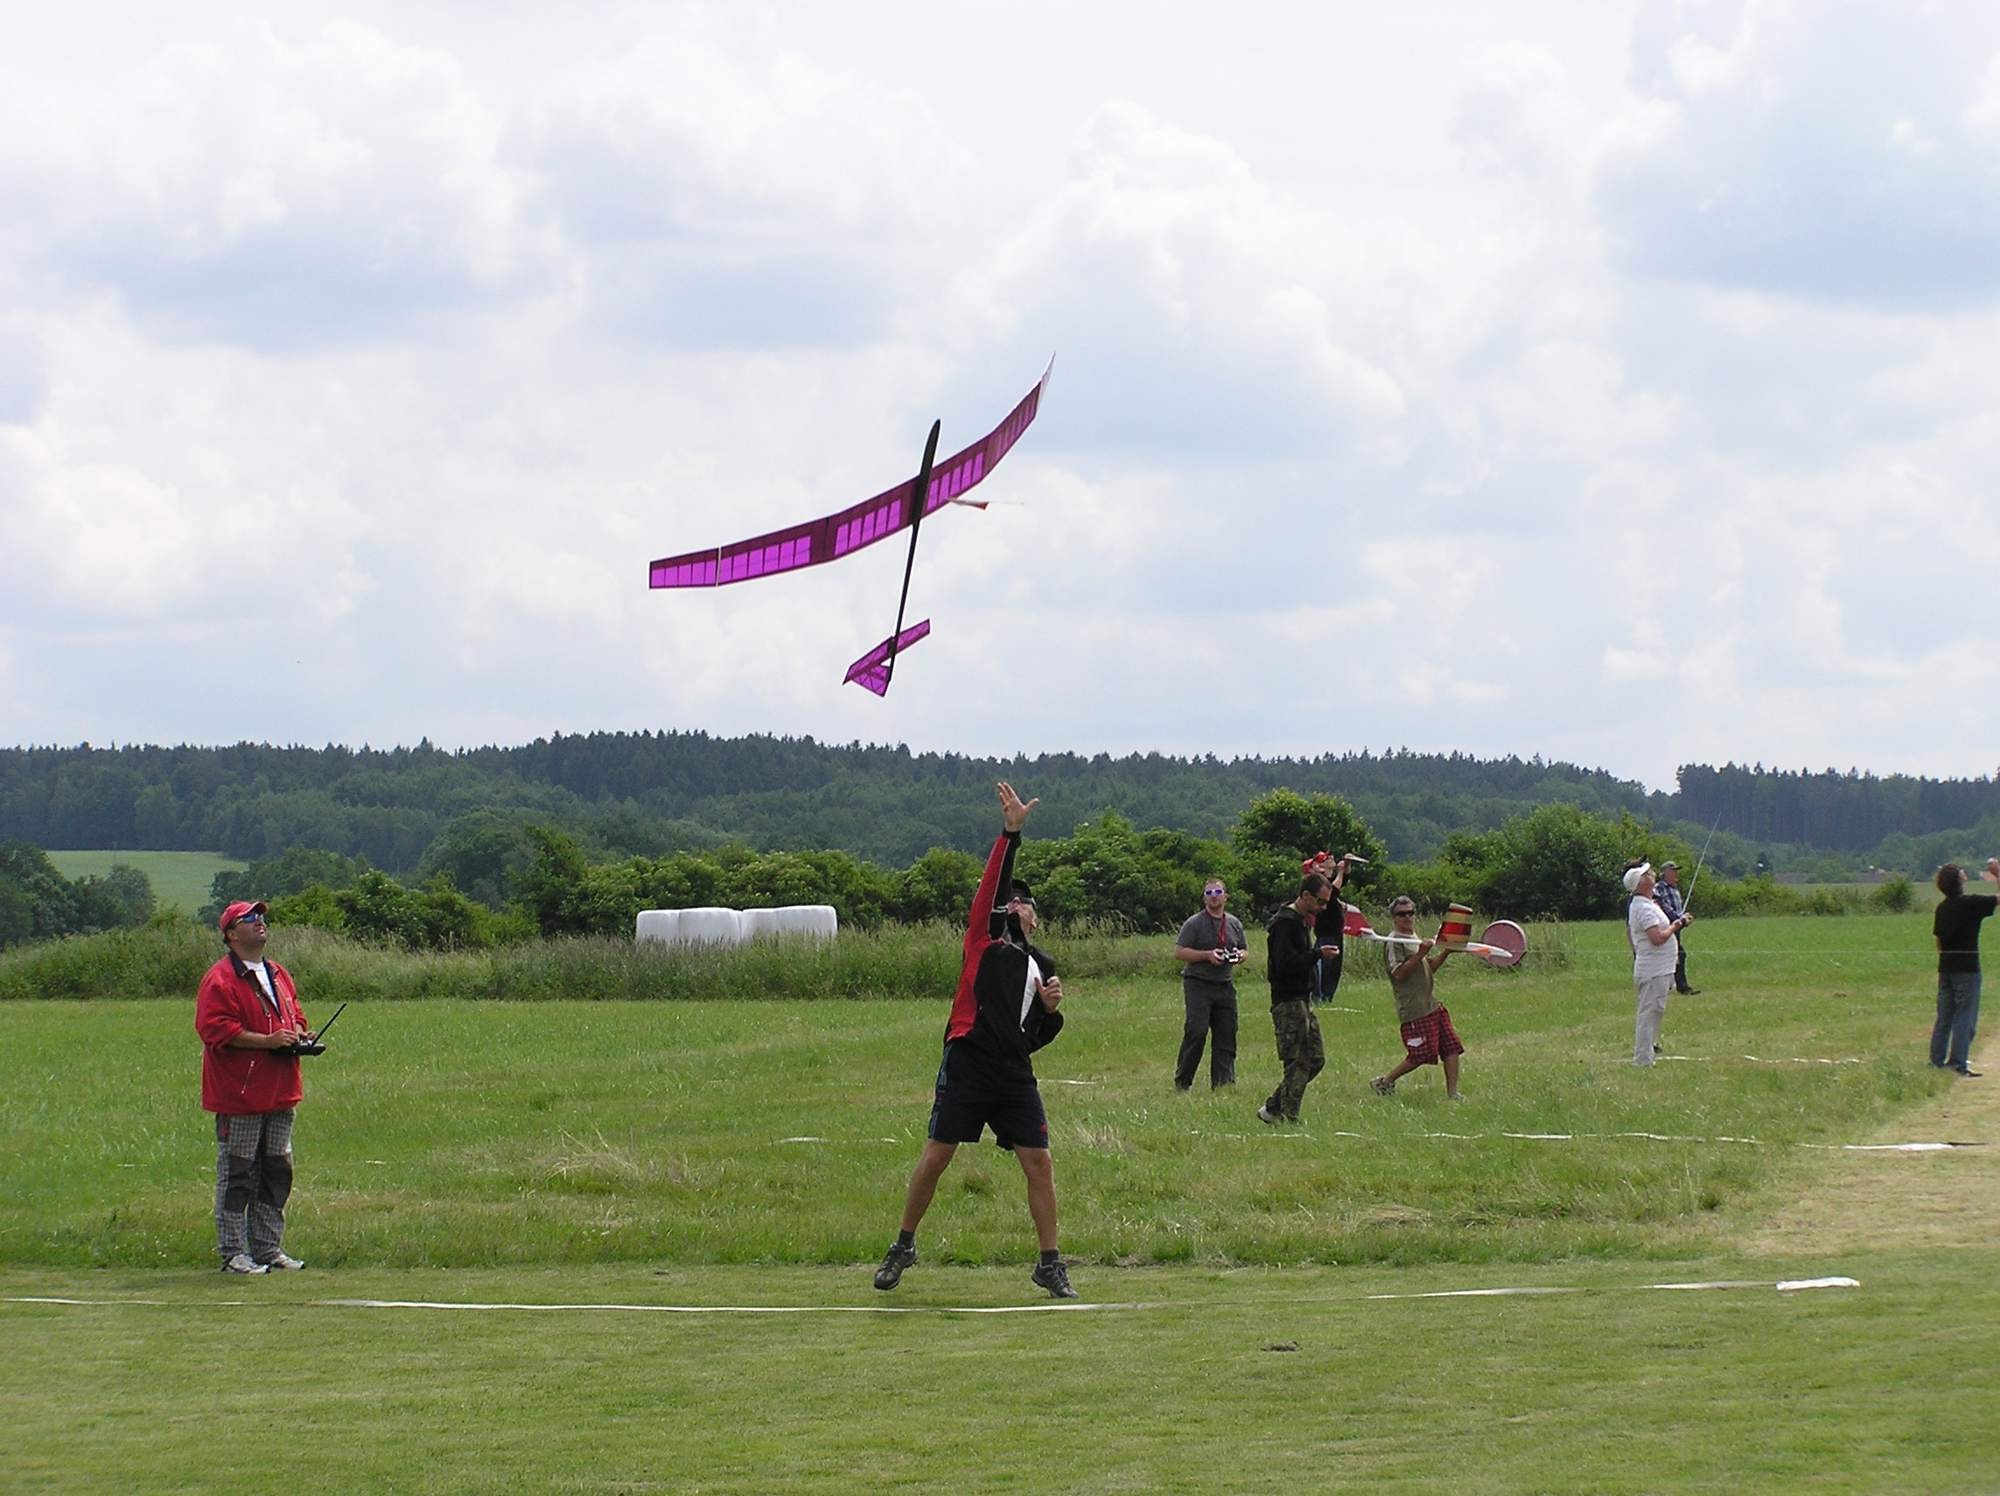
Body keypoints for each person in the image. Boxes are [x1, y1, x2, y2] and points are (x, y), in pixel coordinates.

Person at [874, 783, 1076, 1298]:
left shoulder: (1041, 964)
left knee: (1039, 1162)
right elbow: (992, 887)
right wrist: (1010, 834)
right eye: (1011, 901)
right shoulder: (983, 940)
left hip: (1013, 1072)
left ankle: (1049, 1263)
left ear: (1035, 917)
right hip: (968, 1061)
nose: (1016, 906)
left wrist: (1051, 1012)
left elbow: (1032, 1037)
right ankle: (903, 1244)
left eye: (1024, 904)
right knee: (938, 1154)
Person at [194, 900, 313, 1274]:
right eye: (249, 918)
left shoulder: (278, 973)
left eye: (261, 917)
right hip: (240, 1094)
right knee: (238, 1173)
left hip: (281, 1089)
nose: (259, 922)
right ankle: (233, 1253)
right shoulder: (219, 979)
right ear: (231, 934)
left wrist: (298, 1033)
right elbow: (215, 1030)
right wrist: (268, 1041)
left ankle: (267, 1248)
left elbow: (295, 1015)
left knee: (276, 1171)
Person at [1257, 872, 1341, 1125]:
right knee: (1297, 1061)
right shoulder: (1285, 924)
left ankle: (1273, 1108)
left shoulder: (1302, 921)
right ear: (1305, 896)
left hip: (1303, 998)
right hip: (1288, 1000)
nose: (1322, 907)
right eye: (1320, 901)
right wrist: (1317, 954)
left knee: (1315, 1059)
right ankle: (1288, 1117)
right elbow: (1285, 964)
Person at [1369, 896, 1464, 1100]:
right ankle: (1384, 1082)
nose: (1407, 917)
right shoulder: (1394, 941)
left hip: (1432, 1005)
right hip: (1414, 1009)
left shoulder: (1413, 937)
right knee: (1421, 1053)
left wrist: (1446, 951)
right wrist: (1420, 953)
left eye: (1411, 913)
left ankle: (1453, 1094)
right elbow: (1399, 974)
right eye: (1402, 914)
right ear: (1394, 917)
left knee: (1451, 1047)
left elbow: (1429, 968)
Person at [1172, 877, 1246, 1089]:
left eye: (1217, 892)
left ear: (1226, 897)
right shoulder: (1194, 923)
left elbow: (1244, 948)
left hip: (1224, 983)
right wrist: (1206, 955)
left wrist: (1240, 955)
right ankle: (1183, 1081)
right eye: (1209, 893)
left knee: (1227, 1032)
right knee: (1197, 1031)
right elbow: (1180, 952)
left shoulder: (1234, 923)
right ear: (1204, 898)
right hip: (1198, 983)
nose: (1214, 897)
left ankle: (1223, 1083)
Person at [1931, 859, 1997, 1077]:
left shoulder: (1942, 908)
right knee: (1964, 1016)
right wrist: (1997, 874)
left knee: (1944, 1017)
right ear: (1960, 880)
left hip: (1946, 967)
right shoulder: (1971, 903)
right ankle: (1958, 1063)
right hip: (1967, 969)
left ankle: (1936, 1061)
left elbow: (1939, 941)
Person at [1625, 863, 1690, 1066]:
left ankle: (1649, 1050)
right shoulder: (1643, 908)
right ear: (1641, 883)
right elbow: (1657, 938)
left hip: (1661, 968)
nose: (1652, 874)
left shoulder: (1649, 903)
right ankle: (1642, 1059)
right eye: (1647, 874)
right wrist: (1676, 925)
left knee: (1656, 1010)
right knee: (1648, 1013)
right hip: (1652, 970)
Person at [1301, 852, 1354, 1005]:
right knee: (1324, 967)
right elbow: (1334, 890)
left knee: (1334, 968)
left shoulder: (1327, 881)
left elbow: (1341, 882)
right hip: (1326, 932)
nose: (1330, 860)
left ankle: (1327, 998)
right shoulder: (1317, 885)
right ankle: (1319, 996)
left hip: (1335, 932)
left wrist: (1346, 867)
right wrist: (1340, 872)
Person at [1654, 861, 1700, 994]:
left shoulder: (1674, 889)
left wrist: (1684, 919)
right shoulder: (1659, 888)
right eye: (1673, 870)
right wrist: (1680, 919)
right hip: (1667, 926)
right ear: (1665, 873)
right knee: (1678, 954)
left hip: (1676, 925)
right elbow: (1664, 907)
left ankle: (1673, 984)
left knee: (1677, 954)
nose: (1676, 873)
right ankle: (1681, 987)